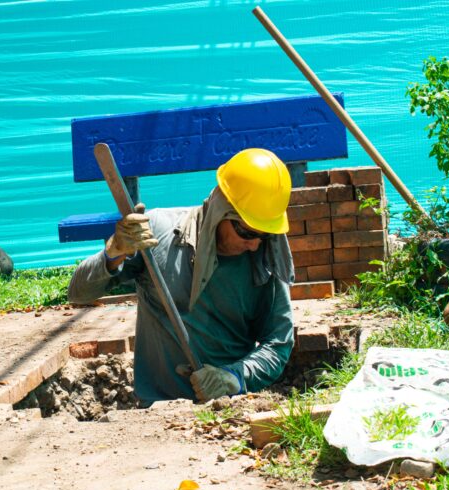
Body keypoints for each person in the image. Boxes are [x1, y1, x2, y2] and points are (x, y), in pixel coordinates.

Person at [68, 148, 295, 404]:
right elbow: (78, 293)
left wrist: (233, 378)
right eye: (246, 233)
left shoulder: (265, 262)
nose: (254, 245)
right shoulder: (157, 235)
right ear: (221, 209)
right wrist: (114, 253)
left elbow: (278, 343)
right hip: (155, 414)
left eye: (264, 235)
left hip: (228, 410)